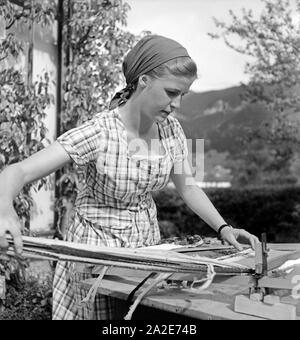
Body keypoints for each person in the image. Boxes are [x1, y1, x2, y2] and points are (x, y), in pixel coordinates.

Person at [0, 34, 259, 320]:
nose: (178, 104)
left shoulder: (171, 131)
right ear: (144, 81)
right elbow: (17, 171)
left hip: (146, 249)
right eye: (172, 92)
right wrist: (3, 209)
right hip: (95, 255)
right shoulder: (100, 132)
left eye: (183, 95)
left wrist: (224, 228)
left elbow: (188, 187)